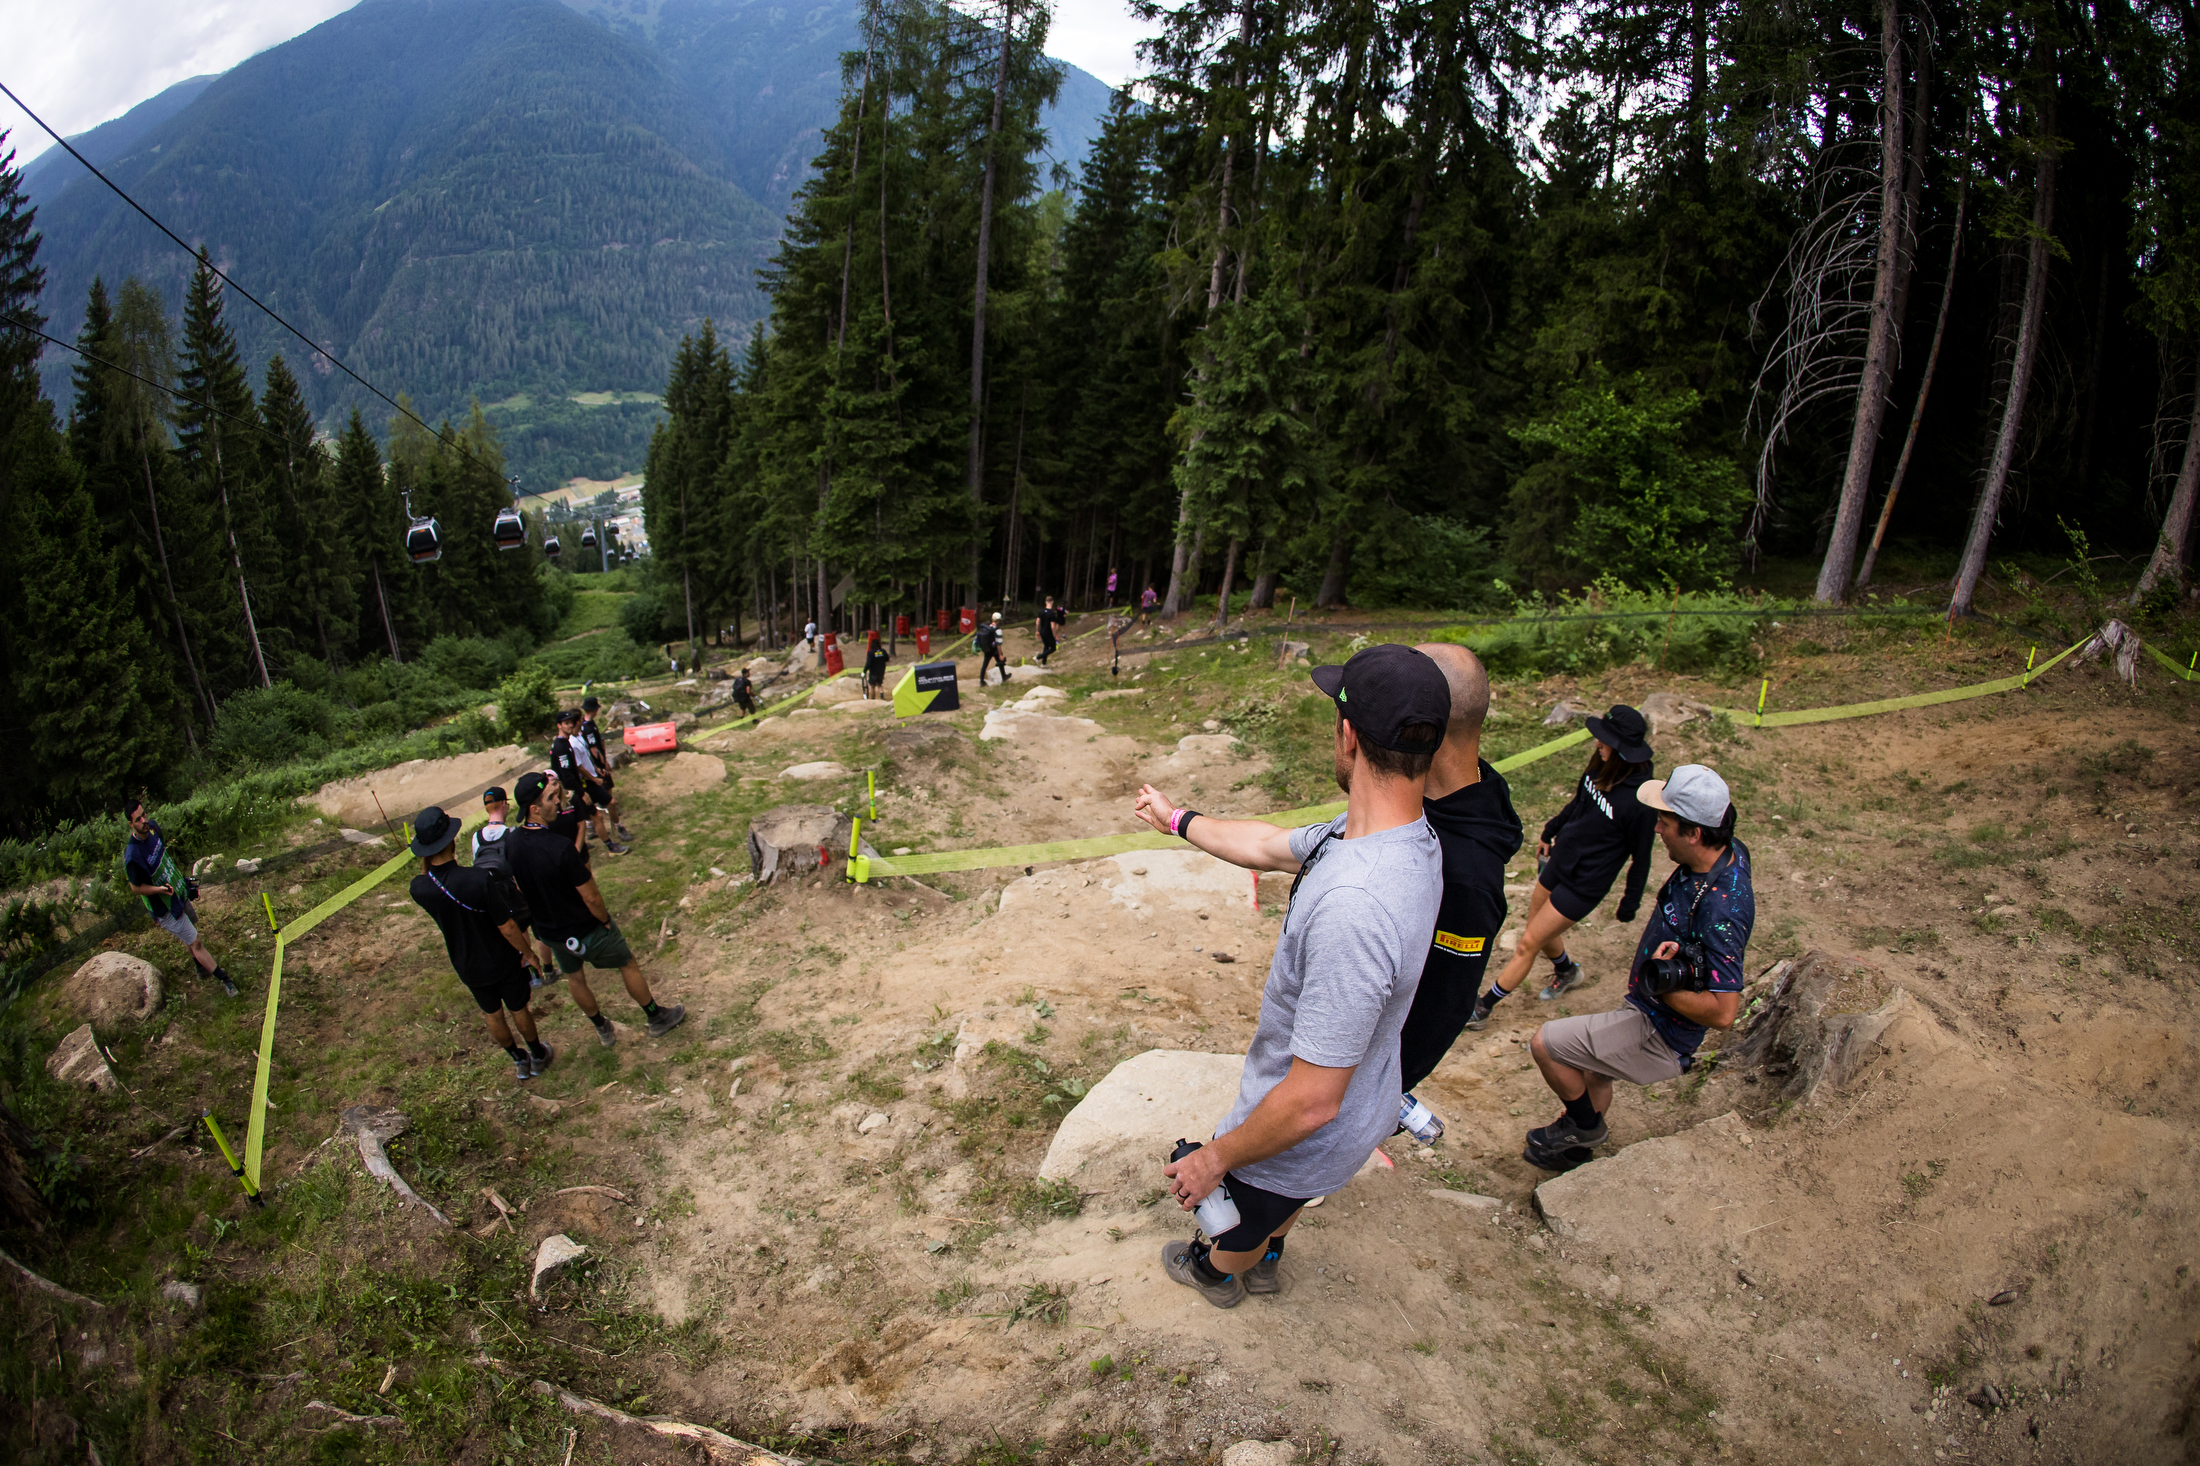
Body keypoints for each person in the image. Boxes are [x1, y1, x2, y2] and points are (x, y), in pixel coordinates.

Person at [1131, 644, 1449, 1308]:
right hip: (1354, 1114)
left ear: (1349, 734)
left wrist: (1215, 1159)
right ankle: (1269, 1249)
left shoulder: (1355, 906)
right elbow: (1268, 845)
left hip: (1299, 1135)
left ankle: (1220, 1272)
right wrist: (1178, 821)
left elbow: (1308, 1102)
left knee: (1239, 1218)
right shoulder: (1399, 835)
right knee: (1284, 1204)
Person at [1524, 765, 1752, 1167]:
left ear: (1695, 832)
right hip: (1650, 1011)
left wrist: (1664, 988)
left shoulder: (1722, 908)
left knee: (1548, 1045)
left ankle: (1583, 1126)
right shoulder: (1723, 855)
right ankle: (1576, 1153)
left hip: (1660, 1032)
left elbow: (1724, 1013)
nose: (1657, 829)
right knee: (1595, 1069)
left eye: (1665, 822)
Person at [1393, 644, 1523, 1140]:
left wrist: (1377, 1092)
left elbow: (1443, 1010)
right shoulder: (1436, 801)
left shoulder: (1466, 877)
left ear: (1427, 724)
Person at [1465, 705, 1656, 1031]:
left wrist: (1629, 903)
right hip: (1562, 861)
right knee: (1539, 929)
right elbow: (1578, 803)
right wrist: (1551, 829)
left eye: (1605, 740)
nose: (1598, 744)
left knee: (1528, 943)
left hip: (1586, 884)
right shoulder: (1601, 766)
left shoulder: (1639, 801)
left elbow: (1642, 856)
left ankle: (1483, 1008)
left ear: (1624, 749)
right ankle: (1568, 972)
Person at [504, 772, 686, 1048]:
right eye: (551, 798)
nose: (558, 801)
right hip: (585, 928)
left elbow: (519, 886)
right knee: (627, 962)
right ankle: (656, 1017)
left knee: (575, 978)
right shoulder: (560, 847)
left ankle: (602, 1028)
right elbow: (591, 896)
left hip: (551, 934)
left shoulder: (512, 844)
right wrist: (604, 921)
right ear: (534, 809)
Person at [407, 806, 554, 1082]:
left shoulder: (420, 888)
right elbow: (507, 926)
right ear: (451, 840)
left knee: (493, 1014)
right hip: (500, 957)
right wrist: (528, 954)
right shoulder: (477, 879)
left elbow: (427, 876)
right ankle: (537, 1053)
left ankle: (518, 1060)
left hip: (466, 963)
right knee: (518, 1007)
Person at [122, 798, 238, 997]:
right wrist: (158, 890)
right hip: (163, 906)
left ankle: (199, 966)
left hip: (177, 891)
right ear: (131, 824)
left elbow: (164, 858)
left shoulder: (153, 830)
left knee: (190, 931)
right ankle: (226, 980)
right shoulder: (133, 856)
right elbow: (135, 888)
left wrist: (181, 881)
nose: (144, 820)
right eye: (138, 819)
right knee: (196, 942)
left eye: (144, 815)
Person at [552, 709, 627, 856]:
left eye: (571, 723)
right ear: (559, 725)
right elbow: (567, 775)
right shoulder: (562, 747)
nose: (569, 725)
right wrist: (581, 792)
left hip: (577, 788)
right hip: (572, 791)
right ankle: (610, 847)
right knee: (594, 818)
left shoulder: (565, 743)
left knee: (582, 820)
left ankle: (581, 847)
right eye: (566, 723)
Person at [579, 696, 632, 841]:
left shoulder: (588, 725)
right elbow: (594, 749)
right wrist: (602, 765)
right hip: (595, 768)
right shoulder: (588, 727)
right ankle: (612, 821)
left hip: (593, 767)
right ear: (595, 709)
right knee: (606, 788)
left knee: (598, 795)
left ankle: (593, 824)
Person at [976, 611, 1011, 686]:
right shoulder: (998, 630)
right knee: (1000, 661)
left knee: (984, 665)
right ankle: (1004, 676)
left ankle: (981, 681)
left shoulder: (988, 627)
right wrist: (1000, 654)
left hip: (987, 649)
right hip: (994, 650)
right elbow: (998, 644)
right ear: (998, 620)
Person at [1035, 595, 1067, 666]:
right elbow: (1052, 626)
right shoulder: (1052, 613)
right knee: (1053, 647)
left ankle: (1043, 664)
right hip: (1048, 632)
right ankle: (1038, 657)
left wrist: (1037, 631)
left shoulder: (1041, 611)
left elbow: (1037, 622)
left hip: (1042, 631)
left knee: (1046, 646)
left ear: (1045, 602)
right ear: (1052, 602)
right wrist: (1055, 635)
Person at [863, 635, 891, 699]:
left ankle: (873, 699)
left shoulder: (871, 653)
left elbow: (868, 663)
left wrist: (864, 671)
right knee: (879, 684)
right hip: (881, 670)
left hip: (873, 672)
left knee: (872, 686)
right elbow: (887, 659)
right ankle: (882, 695)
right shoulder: (883, 651)